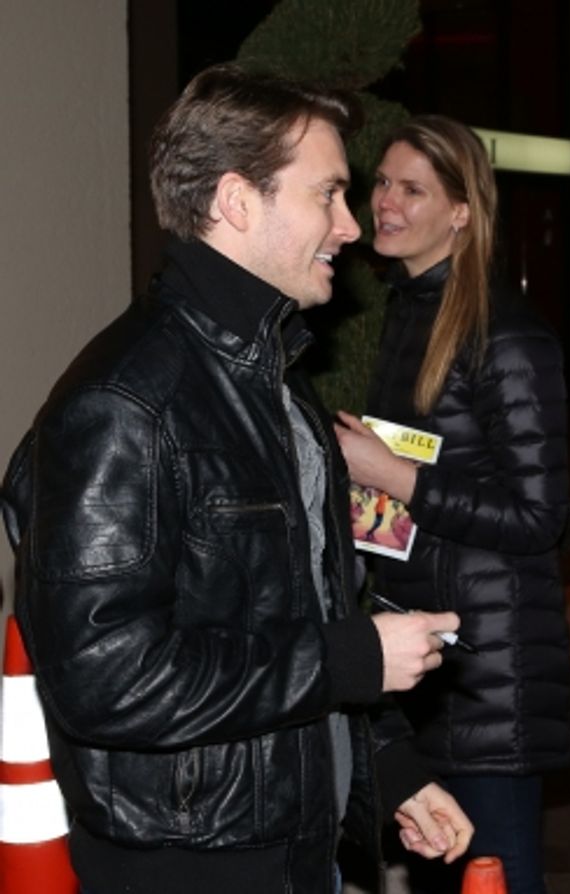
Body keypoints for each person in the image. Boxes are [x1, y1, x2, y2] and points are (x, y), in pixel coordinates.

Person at [0, 64, 471, 894]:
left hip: (295, 843)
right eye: (327, 194)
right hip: (192, 864)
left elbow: (303, 605)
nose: (351, 226)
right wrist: (348, 660)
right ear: (236, 201)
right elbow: (104, 678)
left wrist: (391, 770)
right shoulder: (123, 404)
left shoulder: (273, 376)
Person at [333, 115, 570, 894]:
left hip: (490, 678)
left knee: (492, 877)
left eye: (412, 189)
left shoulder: (507, 336)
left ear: (462, 211)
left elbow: (541, 518)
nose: (385, 202)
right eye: (382, 183)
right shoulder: (409, 315)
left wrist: (393, 474)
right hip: (426, 662)